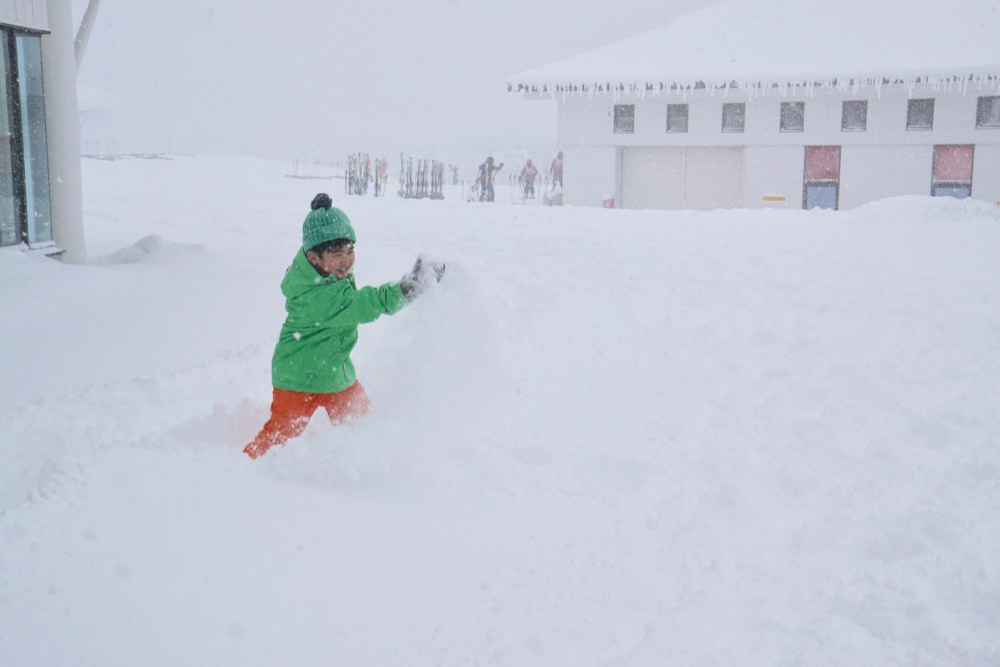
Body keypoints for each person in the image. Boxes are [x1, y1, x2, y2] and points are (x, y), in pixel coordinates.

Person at [244, 193, 445, 459]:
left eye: (350, 251)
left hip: (334, 374)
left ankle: (371, 465)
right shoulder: (319, 296)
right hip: (298, 379)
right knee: (278, 438)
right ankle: (245, 469)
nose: (346, 261)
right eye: (337, 255)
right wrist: (406, 289)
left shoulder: (320, 272)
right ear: (313, 257)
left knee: (363, 424)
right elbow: (365, 303)